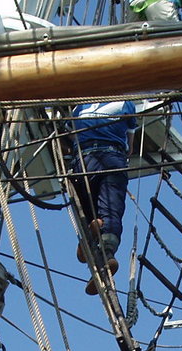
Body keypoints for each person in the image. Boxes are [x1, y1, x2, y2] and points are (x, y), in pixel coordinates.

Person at [68, 101, 137, 295]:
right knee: (111, 211)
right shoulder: (125, 104)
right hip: (112, 158)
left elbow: (71, 136)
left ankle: (91, 232)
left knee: (88, 211)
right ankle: (107, 253)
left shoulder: (78, 109)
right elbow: (130, 146)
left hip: (82, 163)